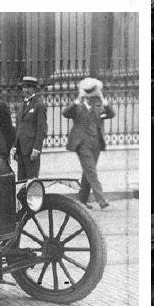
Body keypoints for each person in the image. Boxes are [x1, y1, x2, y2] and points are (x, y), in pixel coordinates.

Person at [62, 76, 115, 209]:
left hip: (96, 143)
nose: (91, 96)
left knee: (88, 172)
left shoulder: (98, 106)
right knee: (91, 171)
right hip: (82, 145)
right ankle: (101, 199)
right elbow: (65, 113)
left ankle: (82, 201)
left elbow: (112, 113)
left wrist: (102, 98)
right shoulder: (77, 107)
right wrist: (77, 99)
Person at [13, 75, 47, 180]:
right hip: (21, 149)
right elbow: (18, 128)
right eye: (24, 87)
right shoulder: (21, 105)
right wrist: (15, 146)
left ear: (34, 89)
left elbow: (42, 128)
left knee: (32, 182)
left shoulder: (39, 105)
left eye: (29, 87)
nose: (26, 90)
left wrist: (37, 149)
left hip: (31, 150)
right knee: (21, 181)